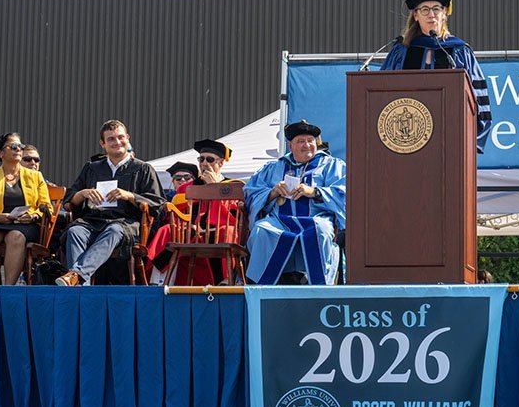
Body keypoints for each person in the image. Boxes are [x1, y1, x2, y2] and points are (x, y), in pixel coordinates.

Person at [380, 0, 492, 153]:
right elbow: (383, 89)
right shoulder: (401, 50)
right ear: (416, 16)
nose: (431, 14)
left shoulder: (460, 50)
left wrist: (473, 138)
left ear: (444, 14)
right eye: (424, 9)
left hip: (450, 137)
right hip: (407, 140)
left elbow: (477, 95)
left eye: (436, 9)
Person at [56, 120, 165, 286]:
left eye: (121, 137)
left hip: (125, 223)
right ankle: (79, 288)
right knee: (75, 231)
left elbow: (158, 203)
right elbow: (69, 201)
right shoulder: (92, 168)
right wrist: (83, 193)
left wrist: (130, 196)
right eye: (111, 139)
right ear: (103, 144)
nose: (117, 142)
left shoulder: (143, 169)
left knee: (113, 230)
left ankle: (76, 276)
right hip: (93, 221)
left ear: (128, 138)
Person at [245, 120, 346, 285]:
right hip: (279, 221)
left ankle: (319, 287)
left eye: (310, 140)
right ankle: (263, 288)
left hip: (316, 218)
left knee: (321, 231)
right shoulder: (274, 168)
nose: (307, 145)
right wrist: (273, 192)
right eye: (301, 141)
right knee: (261, 230)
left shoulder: (331, 165)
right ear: (290, 146)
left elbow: (343, 193)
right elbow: (251, 192)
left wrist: (314, 192)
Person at [147, 140, 241, 285]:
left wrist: (214, 188)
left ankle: (224, 280)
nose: (204, 163)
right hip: (191, 229)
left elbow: (233, 217)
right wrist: (188, 224)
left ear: (221, 163)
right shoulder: (187, 188)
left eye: (210, 159)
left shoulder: (231, 186)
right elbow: (179, 214)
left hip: (217, 229)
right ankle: (158, 281)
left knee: (228, 231)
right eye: (201, 159)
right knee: (167, 230)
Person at [0, 133, 51, 285]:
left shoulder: (35, 176)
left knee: (15, 236)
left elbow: (46, 206)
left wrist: (34, 216)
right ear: (0, 152)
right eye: (13, 146)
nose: (18, 149)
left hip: (26, 224)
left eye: (20, 147)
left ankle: (9, 289)